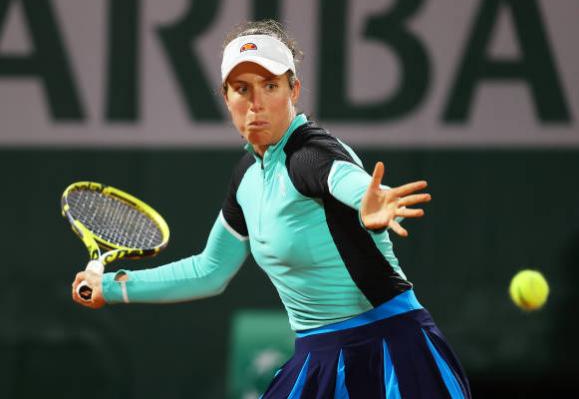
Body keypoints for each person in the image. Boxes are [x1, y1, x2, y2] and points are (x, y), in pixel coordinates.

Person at [72, 20, 471, 399]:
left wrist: (373, 200)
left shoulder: (312, 153)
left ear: (294, 90)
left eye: (270, 85)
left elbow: (343, 178)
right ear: (225, 96)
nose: (255, 104)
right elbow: (209, 271)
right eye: (242, 89)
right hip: (317, 359)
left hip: (390, 352)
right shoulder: (247, 176)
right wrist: (111, 288)